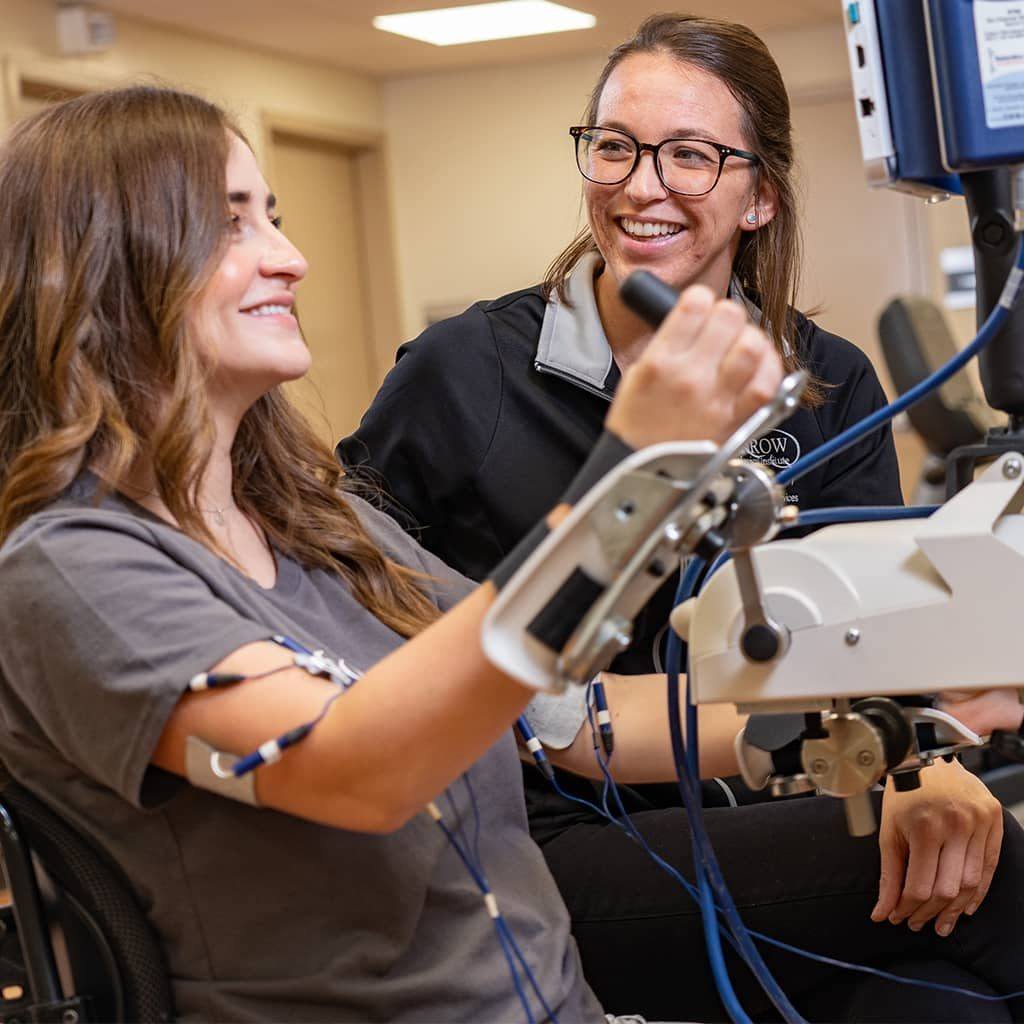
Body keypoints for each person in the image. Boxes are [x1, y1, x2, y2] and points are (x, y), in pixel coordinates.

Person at [0, 84, 810, 1023]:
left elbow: (558, 709)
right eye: (233, 228)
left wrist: (839, 725)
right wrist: (627, 477)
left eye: (276, 218)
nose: (291, 259)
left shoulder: (314, 518)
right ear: (104, 268)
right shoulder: (70, 569)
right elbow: (359, 767)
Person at [337, 13, 1024, 1022]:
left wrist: (923, 769)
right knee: (1005, 878)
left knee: (942, 1008)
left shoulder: (822, 382)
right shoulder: (463, 372)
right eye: (614, 146)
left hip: (772, 811)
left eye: (690, 156)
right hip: (540, 842)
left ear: (761, 196)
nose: (640, 184)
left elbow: (873, 658)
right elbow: (342, 588)